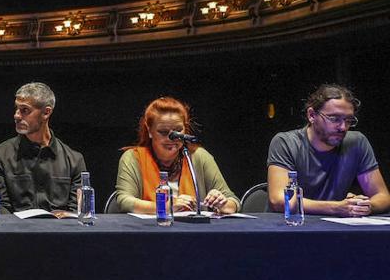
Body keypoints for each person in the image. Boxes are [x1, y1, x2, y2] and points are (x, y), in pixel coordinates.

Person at [267, 84, 389, 216]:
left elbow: (382, 196)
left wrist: (363, 206)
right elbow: (280, 201)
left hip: (336, 230)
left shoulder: (357, 143)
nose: (343, 127)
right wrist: (336, 208)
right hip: (291, 228)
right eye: (334, 119)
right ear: (312, 115)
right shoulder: (286, 143)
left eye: (348, 120)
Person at [115, 97, 237, 214]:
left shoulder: (199, 157)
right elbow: (124, 201)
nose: (172, 138)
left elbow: (233, 201)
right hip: (150, 231)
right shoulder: (133, 158)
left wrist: (222, 204)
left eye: (178, 131)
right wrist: (166, 207)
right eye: (163, 132)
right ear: (149, 131)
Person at [0, 82, 87, 216]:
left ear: (46, 112)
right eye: (16, 108)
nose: (16, 115)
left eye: (25, 110)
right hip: (16, 233)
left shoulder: (74, 159)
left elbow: (77, 211)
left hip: (61, 233)